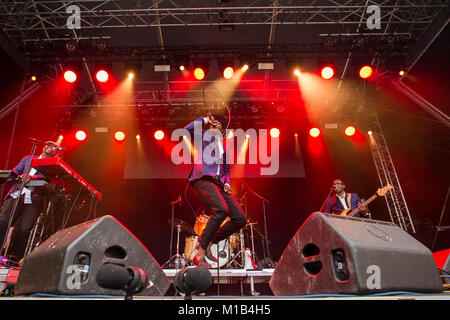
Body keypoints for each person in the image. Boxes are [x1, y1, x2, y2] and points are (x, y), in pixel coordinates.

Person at [184, 113, 246, 267]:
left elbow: (226, 171)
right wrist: (205, 119)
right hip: (203, 179)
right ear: (211, 125)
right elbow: (187, 129)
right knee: (221, 209)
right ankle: (201, 253)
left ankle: (209, 242)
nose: (218, 125)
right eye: (215, 123)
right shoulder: (203, 137)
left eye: (220, 124)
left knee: (240, 219)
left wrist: (227, 184)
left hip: (219, 184)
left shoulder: (223, 146)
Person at [0, 141, 60, 265]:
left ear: (56, 152)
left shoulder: (52, 165)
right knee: (3, 221)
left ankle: (14, 258)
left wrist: (33, 177)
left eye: (54, 147)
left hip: (34, 199)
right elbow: (15, 172)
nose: (50, 147)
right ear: (43, 147)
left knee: (24, 229)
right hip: (17, 194)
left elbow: (48, 178)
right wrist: (18, 175)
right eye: (48, 145)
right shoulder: (28, 158)